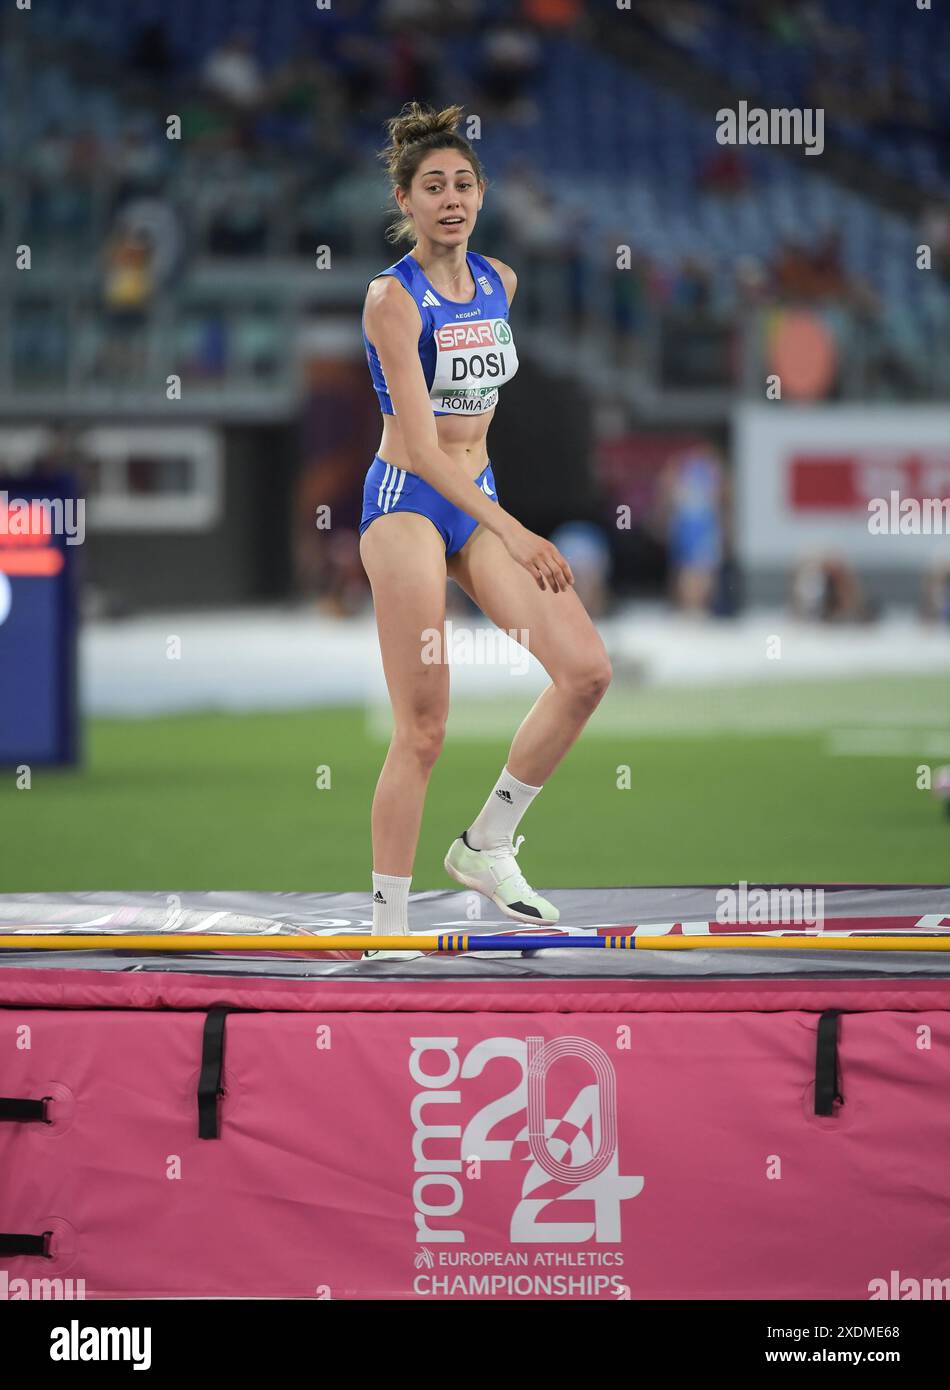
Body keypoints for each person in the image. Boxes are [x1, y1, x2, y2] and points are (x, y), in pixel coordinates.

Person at [358, 102, 611, 951]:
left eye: (464, 182)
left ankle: (487, 843)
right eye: (433, 186)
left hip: (479, 497)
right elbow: (427, 451)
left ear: (483, 193)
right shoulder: (392, 300)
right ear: (407, 198)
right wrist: (514, 530)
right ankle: (389, 928)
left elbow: (477, 425)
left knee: (584, 671)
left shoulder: (503, 280)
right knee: (424, 727)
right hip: (409, 502)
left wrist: (497, 521)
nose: (451, 198)